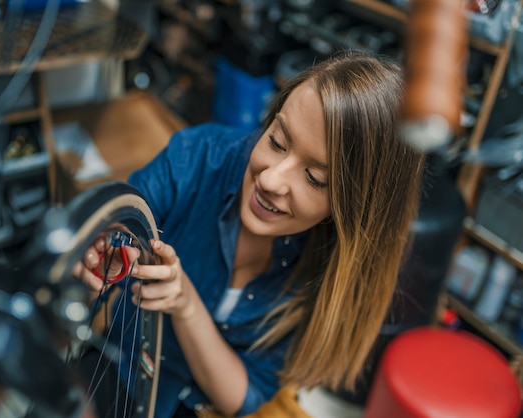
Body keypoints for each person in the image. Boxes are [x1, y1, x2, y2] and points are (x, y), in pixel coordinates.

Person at [75, 50, 425, 418]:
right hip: (125, 371)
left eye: (314, 178)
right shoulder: (196, 158)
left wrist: (186, 303)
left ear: (353, 210)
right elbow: (117, 223)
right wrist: (94, 258)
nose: (271, 179)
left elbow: (243, 398)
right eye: (276, 141)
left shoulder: (331, 270)